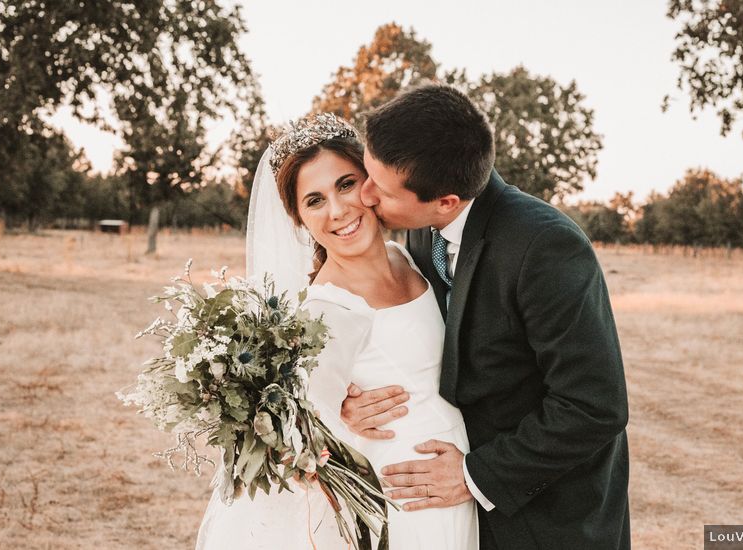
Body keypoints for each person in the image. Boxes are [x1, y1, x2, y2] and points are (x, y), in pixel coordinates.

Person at [339, 84, 631, 549]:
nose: (367, 196)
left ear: (446, 201)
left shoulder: (546, 248)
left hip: (547, 520)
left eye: (383, 188)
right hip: (458, 520)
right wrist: (353, 403)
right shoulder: (419, 234)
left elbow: (594, 405)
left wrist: (476, 475)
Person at [195, 114, 478, 549]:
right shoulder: (329, 308)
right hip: (411, 492)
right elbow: (305, 436)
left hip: (451, 478)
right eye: (314, 200)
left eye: (346, 184)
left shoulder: (404, 256)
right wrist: (346, 418)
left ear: (371, 183)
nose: (338, 210)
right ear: (299, 219)